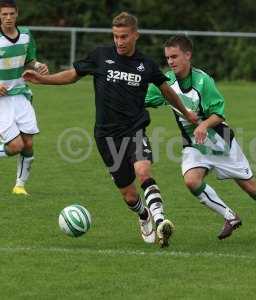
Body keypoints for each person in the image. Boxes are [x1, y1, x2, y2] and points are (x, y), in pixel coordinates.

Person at [23, 13, 197, 248]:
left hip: (135, 130)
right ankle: (144, 216)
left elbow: (166, 90)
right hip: (106, 136)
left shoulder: (146, 64)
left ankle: (160, 221)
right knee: (129, 195)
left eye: (124, 36)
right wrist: (44, 80)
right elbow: (73, 75)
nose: (119, 41)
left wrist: (186, 113)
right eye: (115, 36)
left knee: (144, 171)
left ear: (136, 35)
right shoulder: (100, 56)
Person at [145, 35, 256, 243]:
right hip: (193, 144)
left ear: (188, 55)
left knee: (250, 186)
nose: (170, 62)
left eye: (174, 56)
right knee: (191, 181)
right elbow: (143, 99)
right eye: (167, 58)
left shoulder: (203, 81)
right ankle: (230, 217)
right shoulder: (166, 82)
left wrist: (204, 125)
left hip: (219, 141)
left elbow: (219, 114)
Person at [0, 0, 49, 196]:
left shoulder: (27, 34)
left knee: (28, 144)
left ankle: (19, 186)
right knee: (16, 145)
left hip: (20, 95)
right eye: (4, 14)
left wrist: (38, 66)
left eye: (11, 14)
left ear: (17, 14)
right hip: (1, 100)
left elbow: (29, 60)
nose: (8, 18)